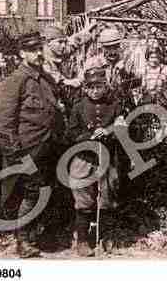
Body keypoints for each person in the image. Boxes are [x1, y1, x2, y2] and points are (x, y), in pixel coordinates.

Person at [0, 31, 65, 258]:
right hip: (27, 148)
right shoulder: (15, 81)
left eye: (39, 48)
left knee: (46, 190)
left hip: (47, 147)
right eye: (32, 50)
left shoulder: (45, 78)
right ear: (21, 53)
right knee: (32, 191)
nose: (38, 53)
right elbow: (3, 122)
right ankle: (22, 240)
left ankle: (36, 235)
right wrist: (14, 154)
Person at [67, 58, 128, 257]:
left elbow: (122, 127)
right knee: (83, 199)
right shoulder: (78, 107)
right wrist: (88, 137)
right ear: (85, 88)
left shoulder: (115, 105)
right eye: (91, 87)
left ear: (105, 86)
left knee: (107, 198)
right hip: (84, 158)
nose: (95, 91)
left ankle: (104, 236)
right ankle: (83, 240)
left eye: (99, 86)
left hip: (107, 158)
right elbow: (70, 133)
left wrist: (109, 130)